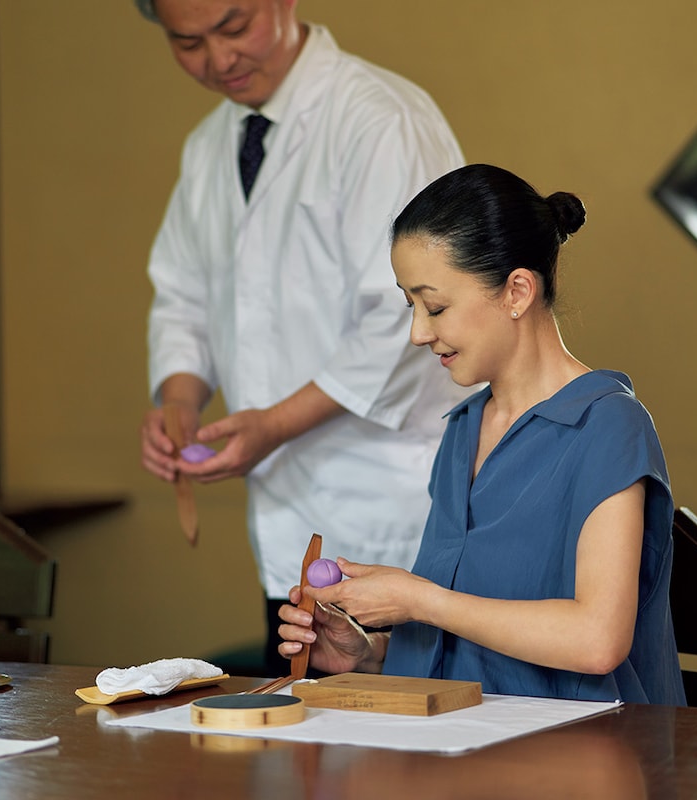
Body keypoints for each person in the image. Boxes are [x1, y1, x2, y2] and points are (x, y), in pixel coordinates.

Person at [134, 0, 468, 674]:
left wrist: (272, 426)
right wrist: (180, 400)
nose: (219, 59)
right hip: (289, 519)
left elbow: (404, 316)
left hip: (391, 506)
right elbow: (185, 297)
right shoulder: (209, 146)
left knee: (402, 758)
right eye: (187, 42)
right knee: (303, 753)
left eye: (234, 28)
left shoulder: (380, 119)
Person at [278, 164, 687, 704]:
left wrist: (420, 600)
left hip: (587, 758)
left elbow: (597, 641)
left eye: (436, 306)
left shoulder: (608, 425)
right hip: (462, 745)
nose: (419, 333)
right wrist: (370, 653)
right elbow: (471, 636)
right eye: (411, 306)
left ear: (517, 290)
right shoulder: (463, 431)